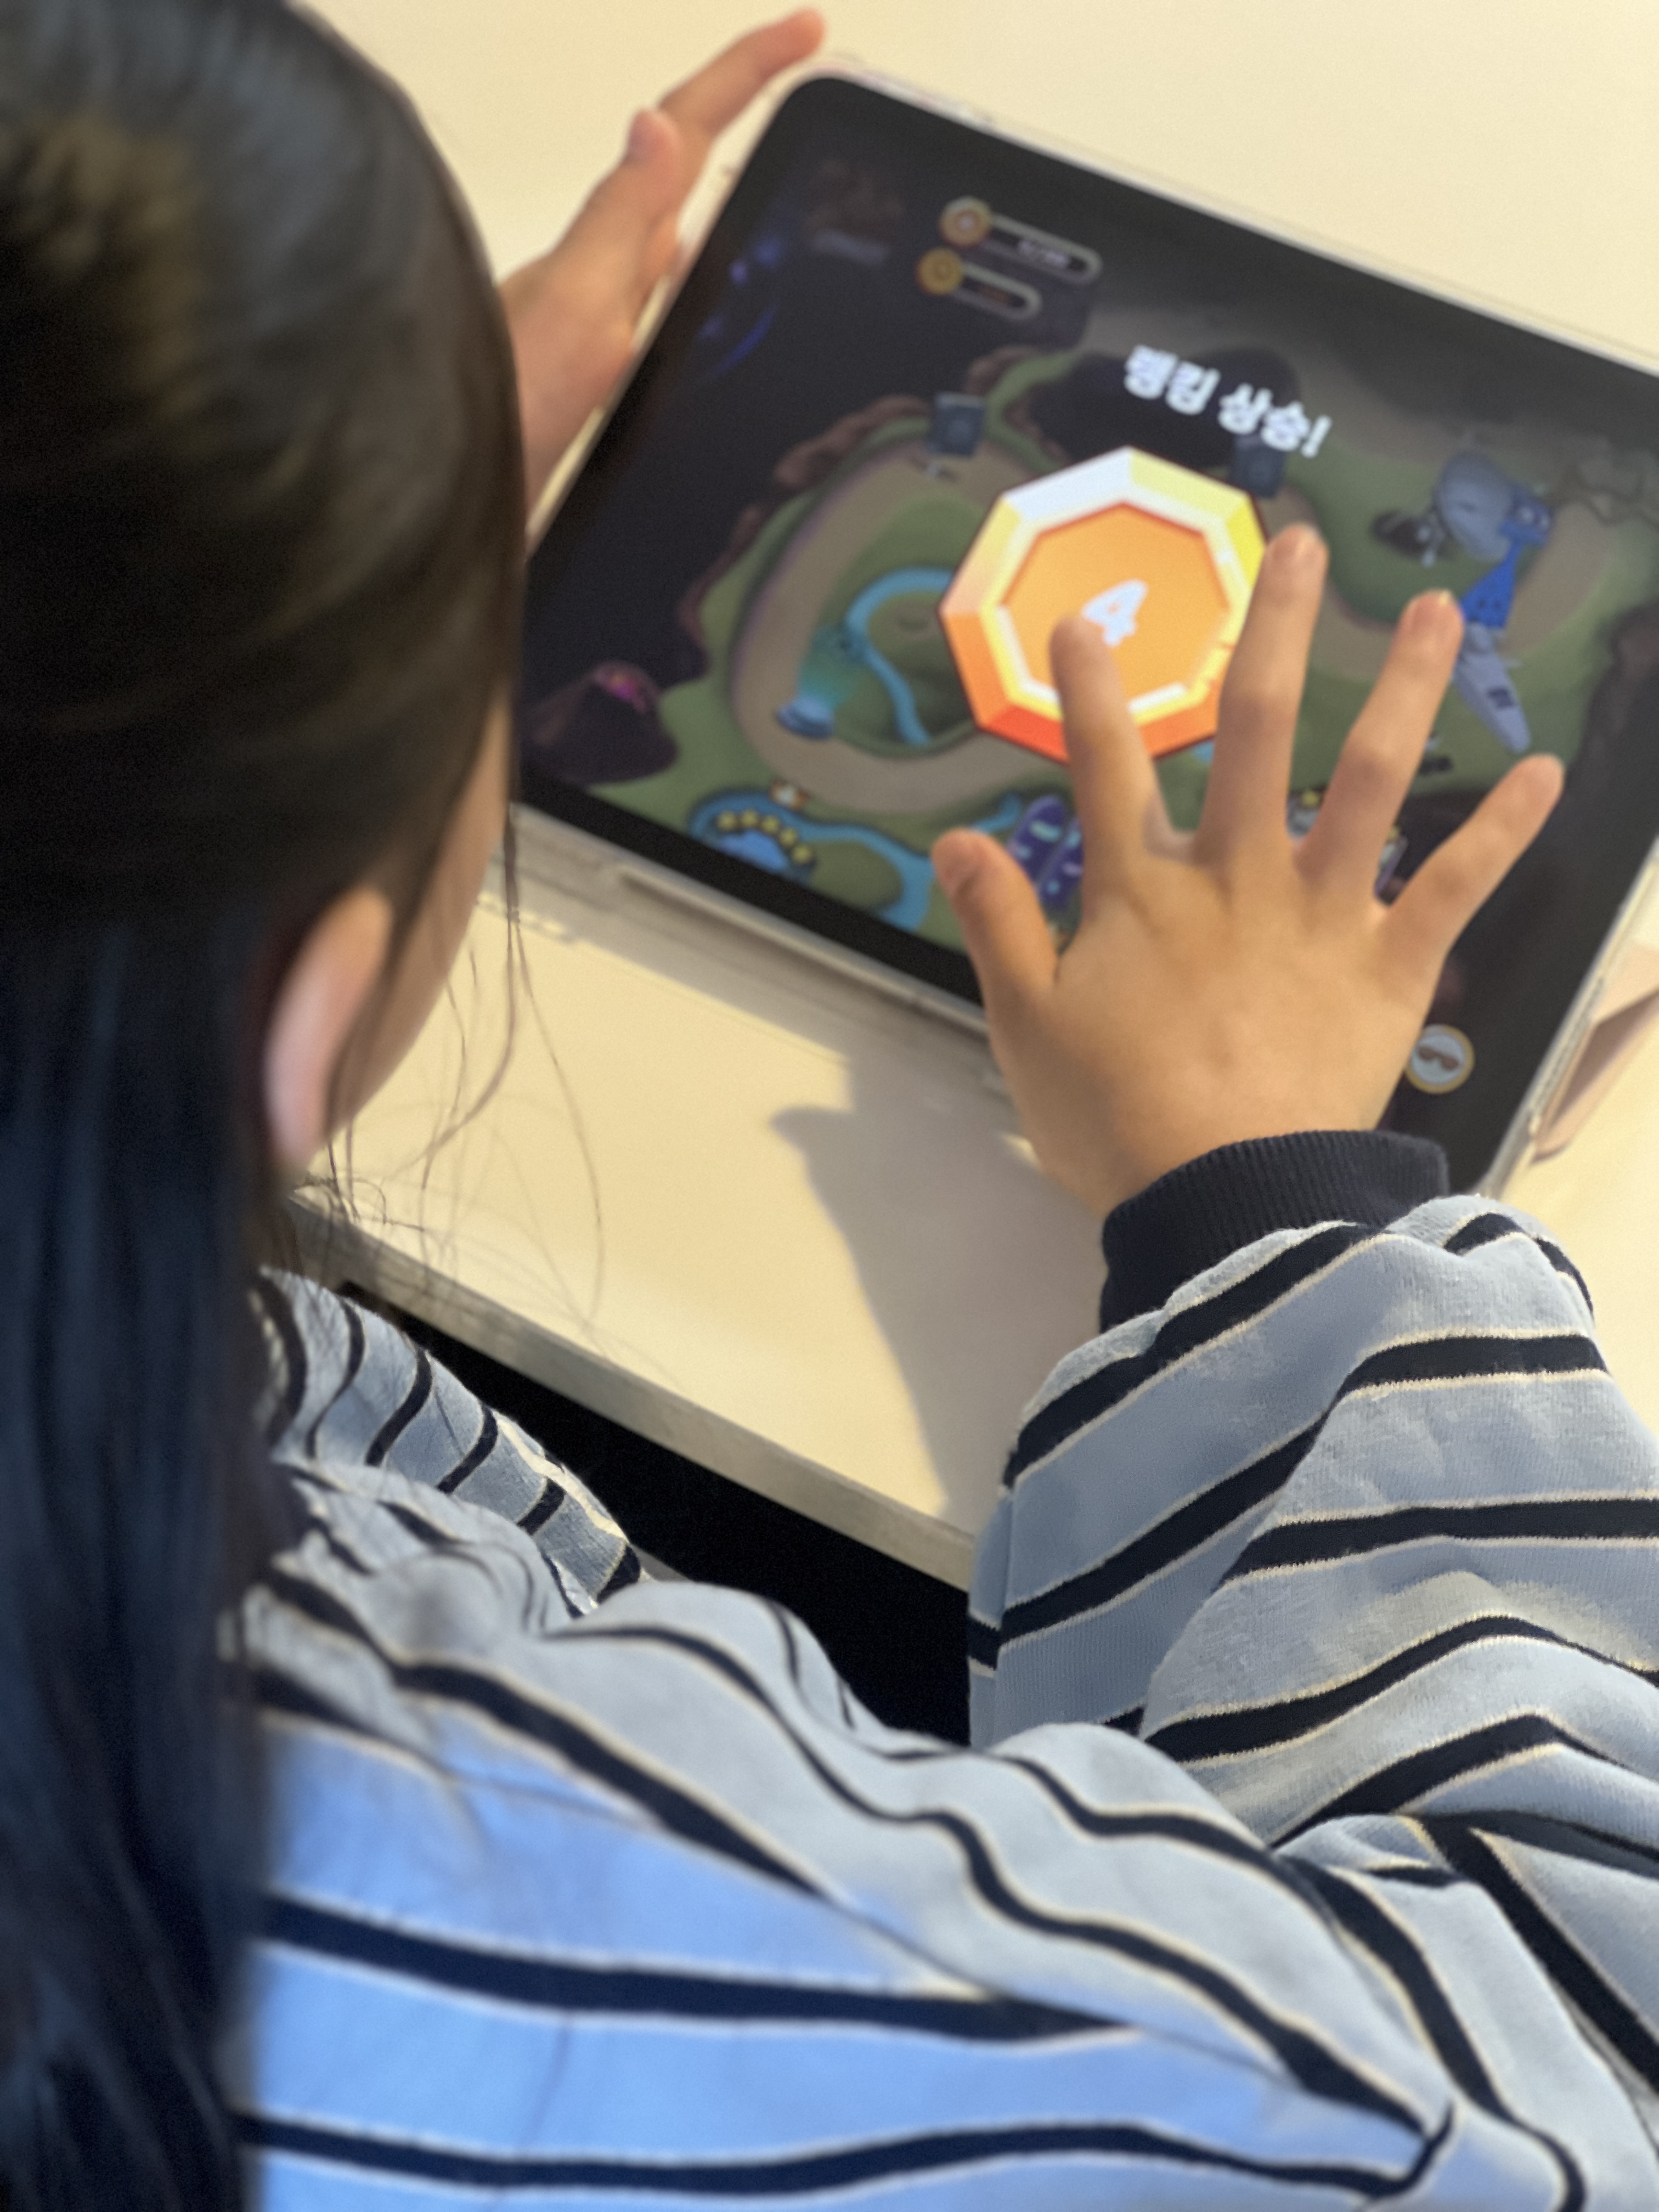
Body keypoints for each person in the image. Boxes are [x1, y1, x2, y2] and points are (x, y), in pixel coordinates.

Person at [2, 0, 1655, 2204]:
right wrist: (1266, 1210)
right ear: (290, 1024)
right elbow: (1564, 2079)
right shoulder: (524, 1879)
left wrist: (258, 545)